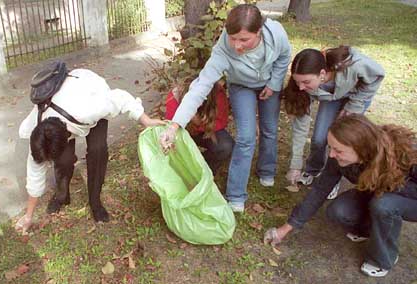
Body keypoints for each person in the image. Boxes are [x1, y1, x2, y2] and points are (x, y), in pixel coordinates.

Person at [159, 4, 291, 212]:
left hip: (269, 84)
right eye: (233, 38)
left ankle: (266, 169)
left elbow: (284, 58)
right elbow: (200, 87)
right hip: (241, 86)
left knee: (269, 129)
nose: (237, 46)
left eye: (244, 40)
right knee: (246, 137)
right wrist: (175, 125)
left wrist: (274, 83)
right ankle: (236, 196)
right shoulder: (223, 49)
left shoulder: (276, 34)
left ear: (259, 32)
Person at [264, 114, 417, 277]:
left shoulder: (405, 152)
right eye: (331, 147)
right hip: (377, 191)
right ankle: (368, 229)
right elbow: (319, 190)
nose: (331, 155)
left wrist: (393, 188)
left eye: (338, 150)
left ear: (361, 147)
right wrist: (286, 228)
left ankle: (384, 258)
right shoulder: (337, 158)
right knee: (338, 211)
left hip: (409, 200)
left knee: (383, 205)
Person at [15, 68, 164, 232]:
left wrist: (146, 120)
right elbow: (35, 174)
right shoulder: (34, 130)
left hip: (91, 89)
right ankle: (62, 196)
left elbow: (121, 98)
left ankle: (95, 202)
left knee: (97, 150)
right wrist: (28, 216)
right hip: (66, 105)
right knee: (64, 160)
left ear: (67, 138)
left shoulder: (92, 109)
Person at [282, 46, 385, 194]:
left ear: (322, 73)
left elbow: (377, 75)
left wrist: (355, 104)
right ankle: (313, 170)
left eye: (306, 81)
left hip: (357, 97)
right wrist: (295, 165)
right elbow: (300, 128)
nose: (301, 87)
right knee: (319, 139)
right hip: (332, 97)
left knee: (341, 141)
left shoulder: (354, 65)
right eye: (298, 81)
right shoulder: (302, 88)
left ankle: (332, 179)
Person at [165, 79, 234, 175]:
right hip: (183, 130)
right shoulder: (176, 95)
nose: (198, 102)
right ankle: (182, 168)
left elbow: (221, 122)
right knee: (171, 144)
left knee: (225, 146)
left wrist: (198, 122)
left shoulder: (217, 93)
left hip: (205, 130)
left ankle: (204, 169)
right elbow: (170, 123)